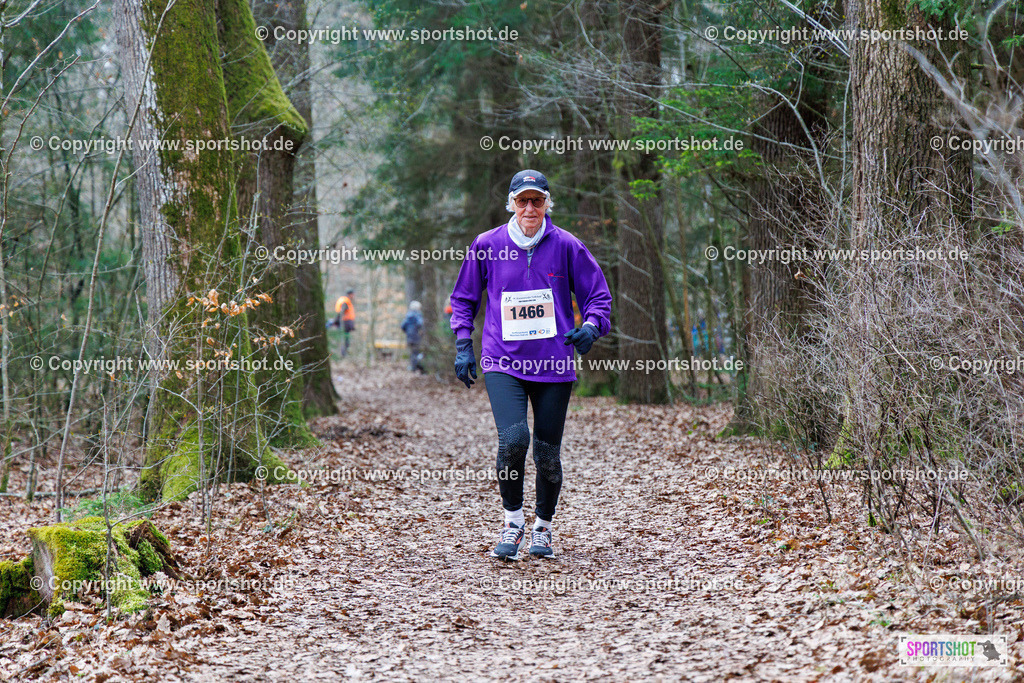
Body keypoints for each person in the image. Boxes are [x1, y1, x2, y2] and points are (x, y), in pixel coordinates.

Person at [450, 169, 611, 561]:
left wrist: (591, 328)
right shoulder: (487, 244)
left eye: (537, 200)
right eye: (522, 200)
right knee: (513, 440)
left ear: (546, 204)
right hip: (501, 360)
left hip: (554, 364)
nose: (529, 208)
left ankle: (543, 528)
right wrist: (462, 343)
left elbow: (598, 298)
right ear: (512, 204)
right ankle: (512, 521)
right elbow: (464, 298)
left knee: (546, 453)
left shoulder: (567, 246)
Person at [401, 301, 425, 373]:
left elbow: (403, 326)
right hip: (416, 336)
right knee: (416, 352)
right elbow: (420, 323)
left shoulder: (408, 315)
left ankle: (413, 367)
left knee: (412, 352)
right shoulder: (418, 315)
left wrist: (408, 332)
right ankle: (415, 367)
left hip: (409, 337)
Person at [334, 289, 356, 357]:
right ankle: (343, 354)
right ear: (350, 294)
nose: (354, 296)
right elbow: (341, 312)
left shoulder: (346, 301)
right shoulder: (345, 302)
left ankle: (344, 353)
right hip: (345, 323)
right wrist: (337, 321)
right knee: (345, 339)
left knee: (346, 339)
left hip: (346, 323)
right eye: (353, 294)